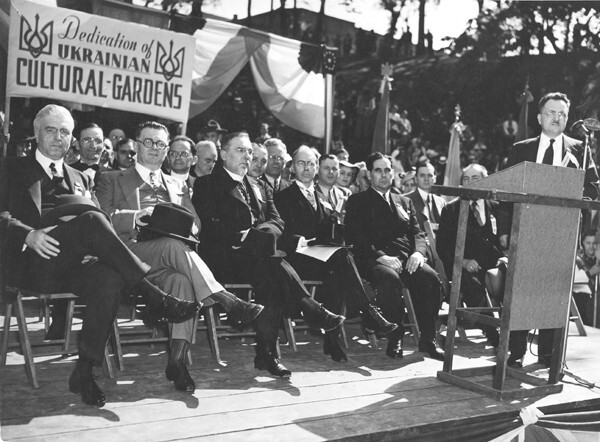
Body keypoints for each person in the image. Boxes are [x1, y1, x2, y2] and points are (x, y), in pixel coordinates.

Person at [0, 105, 199, 407]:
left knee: (111, 276)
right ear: (37, 133)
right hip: (33, 261)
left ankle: (84, 371)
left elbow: (100, 224)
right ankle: (154, 295)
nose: (58, 137)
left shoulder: (80, 176)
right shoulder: (10, 168)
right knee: (93, 220)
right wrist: (28, 233)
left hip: (75, 264)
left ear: (73, 140)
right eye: (51, 130)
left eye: (65, 132)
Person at [96, 121, 263, 392]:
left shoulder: (177, 184)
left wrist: (187, 226)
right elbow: (101, 221)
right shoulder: (111, 178)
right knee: (173, 245)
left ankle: (177, 362)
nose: (155, 149)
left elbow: (196, 223)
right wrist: (136, 217)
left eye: (161, 144)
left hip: (168, 260)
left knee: (182, 283)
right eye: (148, 142)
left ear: (167, 149)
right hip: (129, 256)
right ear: (136, 144)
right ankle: (225, 299)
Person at [192, 132, 345, 377]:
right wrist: (244, 236)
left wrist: (261, 232)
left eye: (249, 152)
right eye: (241, 150)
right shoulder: (207, 184)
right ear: (223, 154)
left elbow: (277, 220)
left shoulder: (256, 184)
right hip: (225, 259)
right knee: (272, 265)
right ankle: (309, 308)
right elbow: (211, 227)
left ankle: (267, 355)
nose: (247, 156)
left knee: (271, 280)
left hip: (259, 258)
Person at [499, 92, 600, 367]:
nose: (557, 118)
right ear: (539, 117)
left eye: (562, 114)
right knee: (522, 291)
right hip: (526, 228)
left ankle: (547, 353)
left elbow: (592, 187)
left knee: (553, 294)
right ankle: (516, 352)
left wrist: (577, 186)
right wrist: (504, 231)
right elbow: (505, 189)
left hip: (561, 231)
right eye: (551, 112)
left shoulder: (579, 148)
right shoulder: (521, 149)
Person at [276, 147, 398, 361]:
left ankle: (332, 341)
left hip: (323, 258)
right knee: (341, 261)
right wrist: (307, 241)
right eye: (301, 163)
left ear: (316, 169)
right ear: (293, 167)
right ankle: (367, 312)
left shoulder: (322, 198)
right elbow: (281, 235)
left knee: (340, 265)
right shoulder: (282, 196)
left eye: (311, 164)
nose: (306, 168)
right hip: (296, 260)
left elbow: (329, 233)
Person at [345, 152, 445, 361]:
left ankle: (428, 338)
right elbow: (357, 237)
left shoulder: (404, 201)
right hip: (374, 261)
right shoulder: (358, 201)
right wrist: (381, 256)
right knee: (388, 279)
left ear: (393, 174)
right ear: (369, 175)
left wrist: (418, 253)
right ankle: (395, 335)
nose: (384, 175)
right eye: (378, 170)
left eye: (388, 170)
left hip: (406, 260)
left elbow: (417, 233)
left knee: (431, 278)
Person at [436, 164, 502, 346]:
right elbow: (443, 246)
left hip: (493, 264)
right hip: (463, 266)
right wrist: (463, 262)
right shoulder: (451, 210)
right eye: (466, 179)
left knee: (512, 276)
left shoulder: (497, 206)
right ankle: (492, 331)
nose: (471, 182)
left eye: (476, 178)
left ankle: (512, 331)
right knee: (470, 282)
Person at [405, 161, 446, 233]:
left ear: (435, 179)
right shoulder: (405, 200)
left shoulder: (441, 202)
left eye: (430, 175)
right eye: (422, 175)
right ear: (415, 179)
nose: (426, 179)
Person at [574, 230, 600, 326]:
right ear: (583, 243)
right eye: (588, 243)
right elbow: (573, 282)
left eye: (595, 243)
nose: (591, 246)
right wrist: (590, 272)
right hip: (582, 304)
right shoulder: (577, 260)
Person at [315, 154, 350, 222]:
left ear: (339, 173)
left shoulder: (343, 194)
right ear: (318, 170)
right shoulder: (310, 194)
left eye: (334, 169)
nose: (330, 172)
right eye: (326, 168)